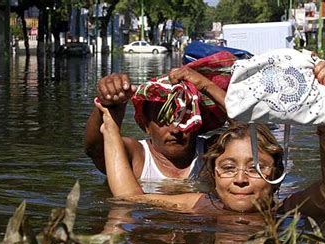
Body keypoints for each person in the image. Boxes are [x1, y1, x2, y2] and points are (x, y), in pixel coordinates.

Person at [94, 63, 325, 217]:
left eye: (255, 167)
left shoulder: (284, 211)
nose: (240, 179)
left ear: (278, 174)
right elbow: (131, 199)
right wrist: (110, 120)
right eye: (228, 168)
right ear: (212, 174)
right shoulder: (204, 205)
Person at [84, 69, 226, 181]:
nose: (175, 129)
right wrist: (107, 103)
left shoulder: (213, 154)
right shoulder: (138, 156)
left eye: (184, 118)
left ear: (198, 122)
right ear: (146, 125)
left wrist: (206, 85)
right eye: (164, 119)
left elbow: (245, 132)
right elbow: (96, 149)